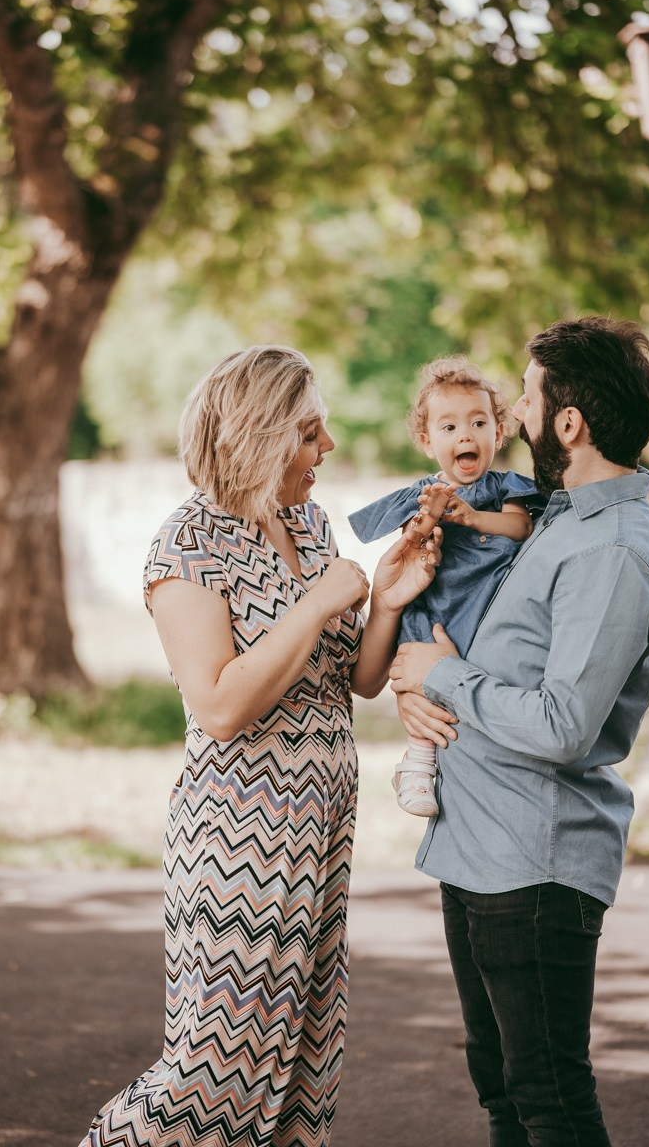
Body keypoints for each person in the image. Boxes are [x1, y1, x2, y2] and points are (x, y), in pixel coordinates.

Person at [78, 344, 442, 1147]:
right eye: (311, 433)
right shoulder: (188, 546)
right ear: (261, 435)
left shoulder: (306, 525)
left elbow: (357, 681)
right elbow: (219, 705)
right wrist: (313, 606)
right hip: (238, 841)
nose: (330, 448)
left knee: (301, 1071)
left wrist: (388, 599)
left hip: (321, 833)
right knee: (211, 1076)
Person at [391, 316, 649, 1146]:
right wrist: (421, 693)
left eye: (528, 394)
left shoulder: (612, 549)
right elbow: (497, 654)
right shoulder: (559, 517)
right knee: (506, 1095)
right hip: (475, 847)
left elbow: (562, 724)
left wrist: (441, 676)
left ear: (570, 423)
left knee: (548, 1099)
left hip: (534, 865)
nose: (513, 409)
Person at [348, 356, 545, 816]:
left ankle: (474, 770)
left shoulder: (506, 489)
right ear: (426, 440)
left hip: (486, 608)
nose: (466, 436)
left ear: (499, 432)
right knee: (419, 677)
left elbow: (520, 529)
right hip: (437, 606)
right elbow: (410, 544)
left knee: (477, 684)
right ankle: (418, 762)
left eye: (479, 423)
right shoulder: (421, 493)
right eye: (449, 427)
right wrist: (429, 518)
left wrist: (474, 517)